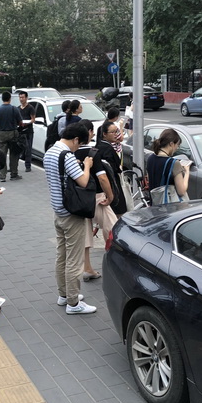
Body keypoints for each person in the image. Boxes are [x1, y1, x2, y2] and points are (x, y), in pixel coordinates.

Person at [43, 122, 96, 314]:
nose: (78, 148)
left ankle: (64, 295)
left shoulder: (50, 152)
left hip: (58, 211)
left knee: (62, 256)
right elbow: (83, 181)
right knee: (74, 259)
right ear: (75, 139)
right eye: (79, 144)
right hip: (72, 214)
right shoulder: (66, 155)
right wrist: (87, 166)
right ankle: (73, 303)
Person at [75, 120, 115, 282]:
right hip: (97, 197)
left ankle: (87, 268)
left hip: (79, 199)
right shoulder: (93, 152)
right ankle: (113, 265)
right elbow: (102, 178)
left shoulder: (70, 153)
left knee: (85, 233)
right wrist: (110, 196)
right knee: (113, 228)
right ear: (90, 132)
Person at [146, 128, 190, 203]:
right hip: (168, 206)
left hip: (154, 204)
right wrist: (187, 172)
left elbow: (149, 180)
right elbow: (181, 191)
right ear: (171, 144)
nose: (177, 148)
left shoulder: (150, 158)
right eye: (177, 145)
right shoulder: (174, 163)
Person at [95, 121, 128, 216]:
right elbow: (111, 170)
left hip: (108, 187)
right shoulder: (106, 149)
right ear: (104, 134)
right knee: (116, 216)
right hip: (112, 186)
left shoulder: (101, 146)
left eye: (116, 131)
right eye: (112, 132)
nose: (116, 134)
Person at [0, 91, 22, 182]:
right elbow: (20, 122)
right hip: (13, 133)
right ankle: (14, 174)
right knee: (14, 154)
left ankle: (2, 176)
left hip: (2, 134)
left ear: (2, 99)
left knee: (2, 154)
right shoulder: (14, 109)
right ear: (10, 99)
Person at [17, 90, 36, 172]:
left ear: (26, 98)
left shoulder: (30, 108)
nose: (21, 99)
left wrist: (27, 123)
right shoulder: (18, 108)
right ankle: (15, 166)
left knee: (28, 149)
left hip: (28, 131)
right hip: (20, 131)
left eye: (23, 97)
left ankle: (28, 166)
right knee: (18, 148)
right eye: (20, 97)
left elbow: (33, 119)